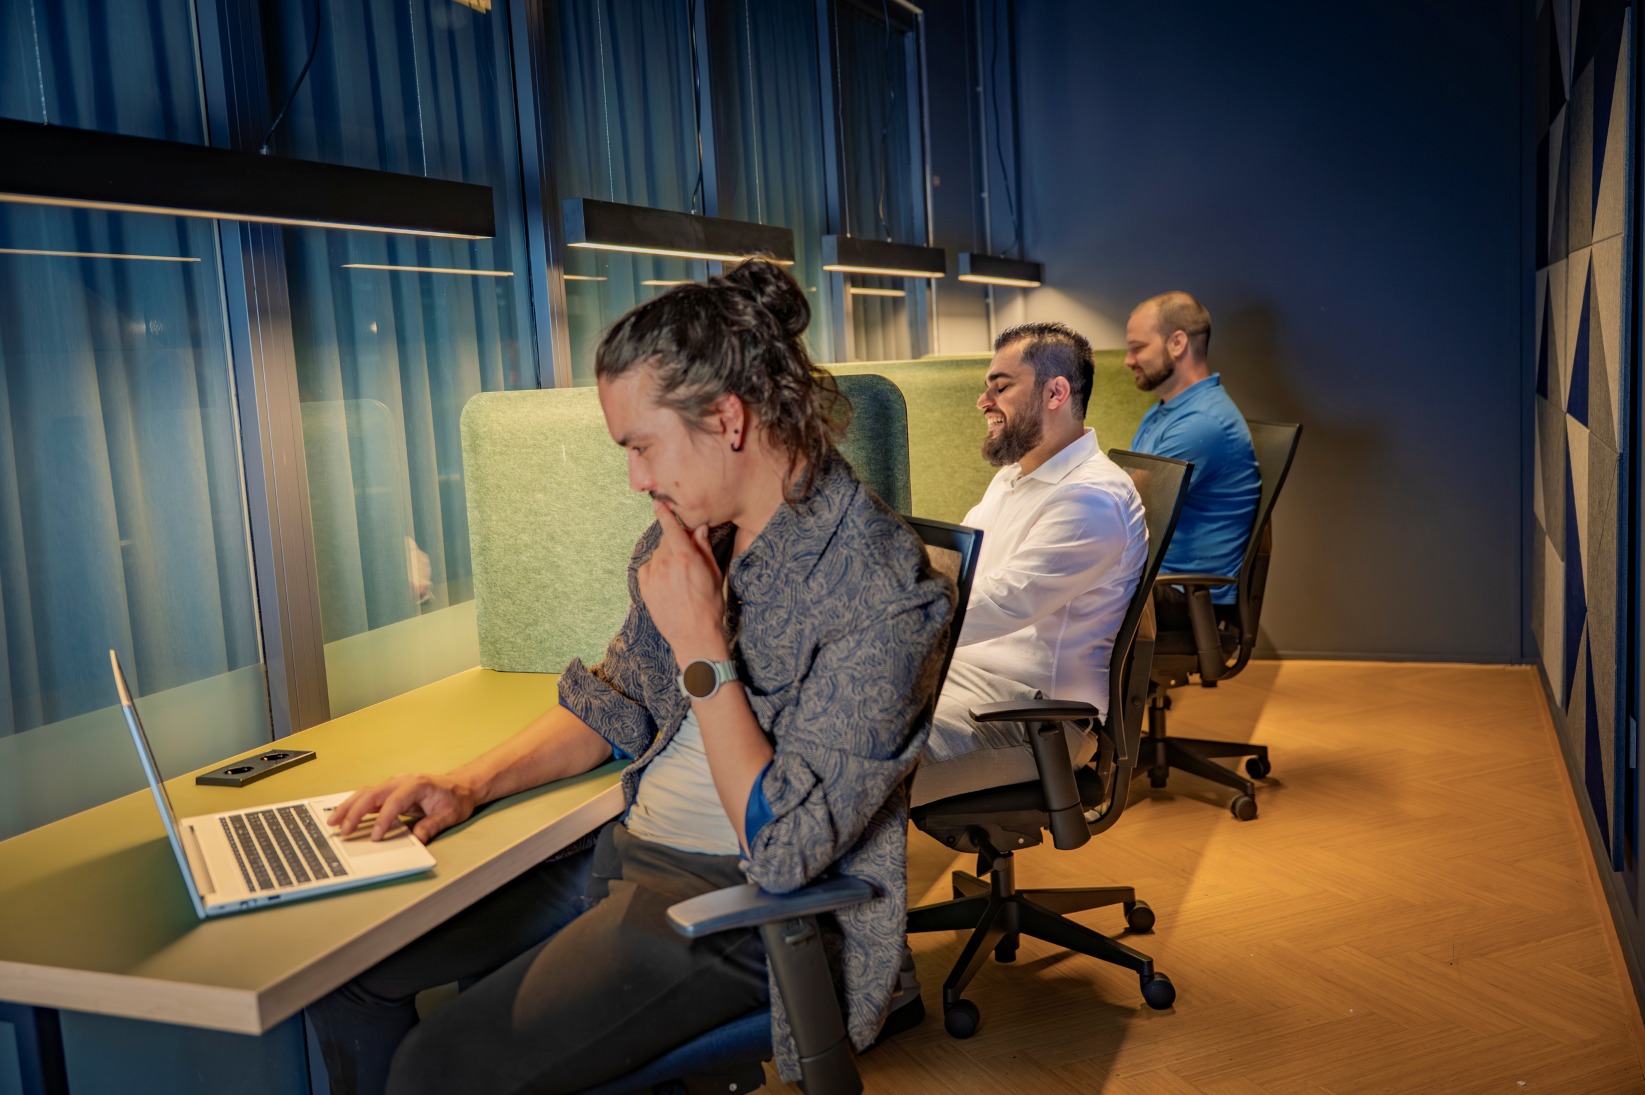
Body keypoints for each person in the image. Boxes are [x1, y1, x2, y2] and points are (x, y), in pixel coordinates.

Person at [307, 259, 954, 1095]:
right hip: (623, 848)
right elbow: (616, 703)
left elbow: (786, 848)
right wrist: (465, 784)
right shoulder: (691, 535)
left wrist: (703, 649)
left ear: (726, 418)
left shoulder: (880, 588)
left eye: (641, 446)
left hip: (742, 903)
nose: (635, 479)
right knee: (353, 972)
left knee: (436, 1070)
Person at [913, 322, 1147, 804]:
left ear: (1056, 392)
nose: (983, 402)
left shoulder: (1091, 500)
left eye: (1001, 386)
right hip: (969, 679)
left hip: (1035, 719)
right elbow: (964, 574)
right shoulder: (1015, 475)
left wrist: (881, 617)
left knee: (851, 770)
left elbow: (1001, 602)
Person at [1125, 292, 1261, 616]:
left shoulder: (1200, 424)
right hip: (1157, 580)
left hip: (1185, 597)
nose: (1128, 360)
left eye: (1137, 347)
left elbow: (1126, 510)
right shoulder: (1165, 412)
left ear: (1177, 343)